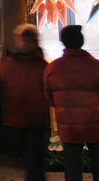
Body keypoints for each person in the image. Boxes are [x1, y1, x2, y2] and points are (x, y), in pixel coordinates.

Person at [0, 24, 49, 181]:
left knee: (34, 163)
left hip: (36, 121)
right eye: (23, 40)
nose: (25, 44)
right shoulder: (10, 64)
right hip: (16, 119)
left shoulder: (42, 66)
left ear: (35, 42)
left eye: (28, 41)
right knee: (28, 161)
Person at [43, 25, 99, 180]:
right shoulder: (95, 66)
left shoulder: (53, 68)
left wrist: (62, 108)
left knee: (72, 168)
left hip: (69, 124)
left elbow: (49, 96)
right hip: (95, 123)